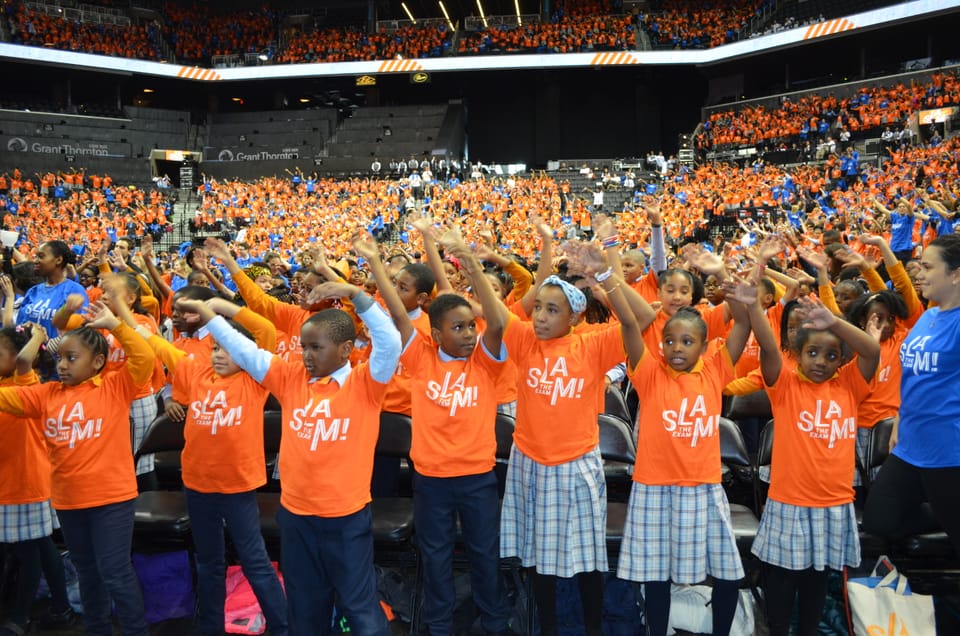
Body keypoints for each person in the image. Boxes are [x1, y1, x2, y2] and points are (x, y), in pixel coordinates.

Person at [189, 275, 401, 635]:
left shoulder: (365, 384)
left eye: (316, 348)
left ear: (346, 349)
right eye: (303, 347)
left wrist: (355, 295)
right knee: (305, 607)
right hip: (296, 517)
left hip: (345, 519)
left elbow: (391, 342)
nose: (305, 355)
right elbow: (246, 351)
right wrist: (209, 319)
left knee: (360, 609)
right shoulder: (291, 379)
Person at [355, 229, 515, 635]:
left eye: (469, 327)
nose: (468, 334)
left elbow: (496, 319)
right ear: (436, 332)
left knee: (484, 554)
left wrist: (472, 264)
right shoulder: (420, 358)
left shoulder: (485, 362)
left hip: (478, 479)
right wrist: (375, 263)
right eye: (458, 328)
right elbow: (394, 309)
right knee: (436, 555)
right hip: (432, 481)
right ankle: (438, 625)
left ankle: (495, 623)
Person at [498, 237, 656, 636]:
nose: (540, 317)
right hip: (529, 461)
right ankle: (547, 627)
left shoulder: (591, 344)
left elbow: (639, 320)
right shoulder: (523, 340)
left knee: (588, 557)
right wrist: (469, 259)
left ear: (574, 317)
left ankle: (592, 628)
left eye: (553, 310)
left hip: (576, 463)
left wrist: (604, 272)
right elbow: (496, 314)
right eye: (538, 308)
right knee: (536, 557)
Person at [132, 295, 289, 636]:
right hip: (197, 484)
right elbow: (155, 343)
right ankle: (210, 626)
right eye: (216, 348)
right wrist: (118, 316)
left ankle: (282, 626)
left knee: (254, 559)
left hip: (236, 487)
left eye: (228, 349)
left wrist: (214, 307)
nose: (219, 355)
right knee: (209, 562)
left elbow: (263, 330)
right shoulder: (196, 372)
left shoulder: (255, 380)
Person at [0, 302, 155, 636]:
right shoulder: (46, 395)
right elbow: (5, 397)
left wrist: (116, 326)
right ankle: (97, 629)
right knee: (87, 572)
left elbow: (144, 358)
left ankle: (135, 630)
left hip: (112, 499)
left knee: (115, 572)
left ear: (98, 362)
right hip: (69, 502)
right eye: (60, 358)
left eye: (73, 358)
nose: (64, 365)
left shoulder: (115, 387)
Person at [617, 268, 753, 636]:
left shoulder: (714, 371)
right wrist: (608, 279)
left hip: (703, 486)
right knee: (657, 575)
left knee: (726, 570)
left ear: (705, 347)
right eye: (670, 341)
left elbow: (741, 326)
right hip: (654, 488)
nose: (677, 348)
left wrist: (736, 288)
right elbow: (630, 328)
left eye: (688, 341)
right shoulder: (648, 373)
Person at [749, 294, 880, 636]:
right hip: (790, 501)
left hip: (833, 503)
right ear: (797, 354)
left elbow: (871, 351)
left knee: (817, 581)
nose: (821, 361)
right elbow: (766, 346)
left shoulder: (850, 385)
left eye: (831, 355)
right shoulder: (786, 384)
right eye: (812, 353)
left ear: (841, 361)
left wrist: (834, 322)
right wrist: (753, 309)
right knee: (781, 581)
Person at [863, 233, 960, 560]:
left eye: (928, 267)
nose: (918, 273)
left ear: (955, 274)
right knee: (879, 520)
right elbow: (914, 376)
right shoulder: (930, 316)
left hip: (948, 450)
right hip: (908, 444)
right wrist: (900, 418)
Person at [0, 324, 74, 636]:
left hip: (25, 482)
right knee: (41, 548)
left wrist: (38, 338)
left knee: (29, 553)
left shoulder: (25, 384)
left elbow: (22, 363)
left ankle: (19, 616)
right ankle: (61, 607)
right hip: (10, 482)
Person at [16, 240, 87, 337]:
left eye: (41, 256)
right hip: (29, 350)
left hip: (56, 351)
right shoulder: (33, 291)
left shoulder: (74, 290)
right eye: (36, 256)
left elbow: (79, 332)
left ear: (58, 260)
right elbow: (18, 327)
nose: (35, 261)